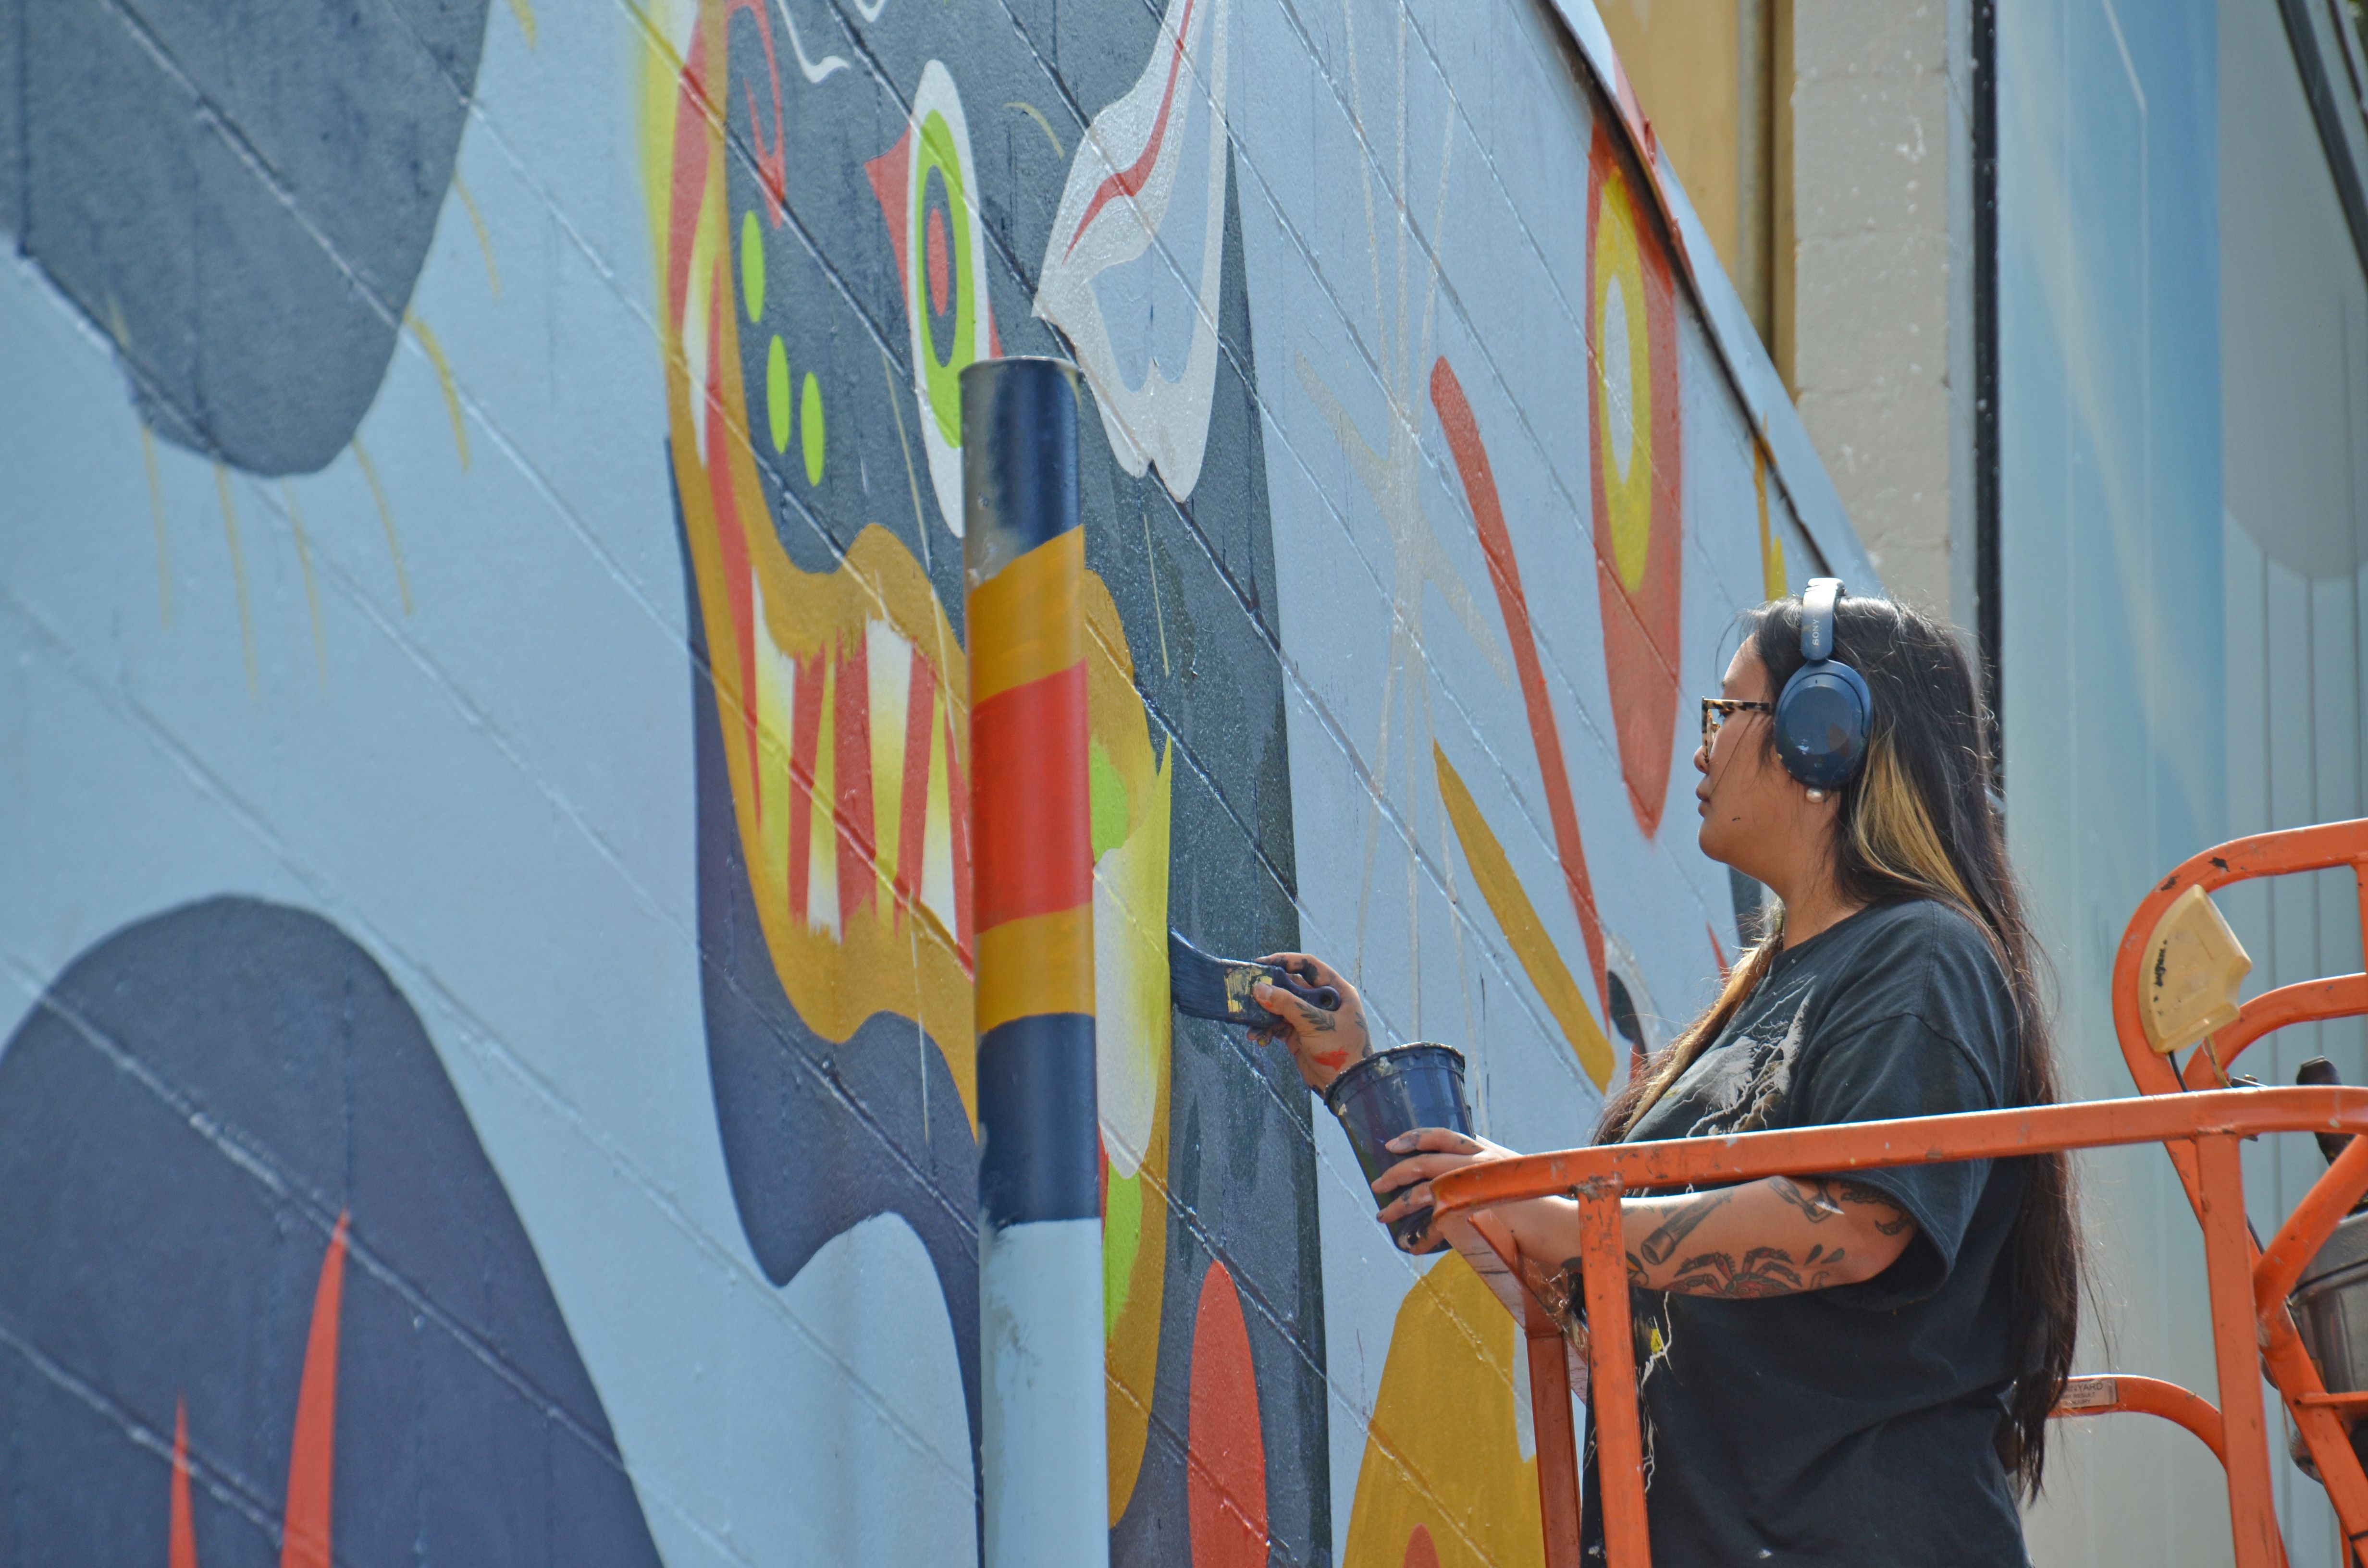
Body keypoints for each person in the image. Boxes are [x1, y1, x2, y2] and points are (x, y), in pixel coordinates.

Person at [1252, 589, 2079, 1567]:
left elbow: (1861, 1223)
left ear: (1826, 739)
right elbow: (1592, 1305)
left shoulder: (1922, 957)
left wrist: (1568, 1221)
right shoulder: (1760, 996)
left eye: (1728, 714)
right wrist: (1369, 1097)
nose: (1702, 748)